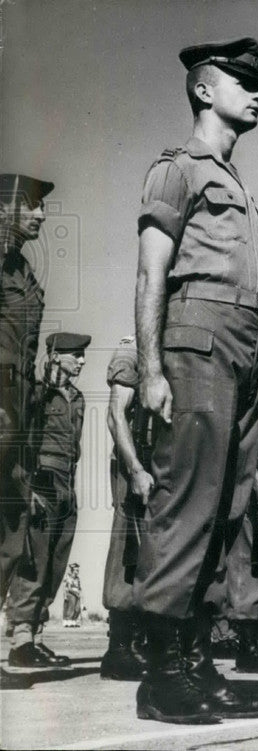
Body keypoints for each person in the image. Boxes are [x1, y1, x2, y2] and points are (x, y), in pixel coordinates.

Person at [132, 37, 258, 723]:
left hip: (245, 351)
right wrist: (152, 366)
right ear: (203, 89)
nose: (257, 93)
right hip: (199, 338)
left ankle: (197, 658)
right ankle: (159, 671)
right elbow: (150, 272)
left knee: (228, 508)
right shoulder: (178, 170)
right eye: (243, 82)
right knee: (187, 500)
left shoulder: (240, 187)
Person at [6, 332, 90, 667]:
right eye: (76, 355)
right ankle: (21, 639)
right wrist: (28, 491)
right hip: (42, 481)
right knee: (34, 562)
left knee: (55, 563)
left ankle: (36, 638)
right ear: (56, 357)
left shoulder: (77, 398)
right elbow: (22, 443)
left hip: (67, 483)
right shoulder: (38, 394)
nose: (82, 361)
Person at [0, 174, 51, 606]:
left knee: (13, 531)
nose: (42, 214)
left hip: (18, 413)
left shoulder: (20, 267)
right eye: (32, 206)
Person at [100, 335, 152, 680]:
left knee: (153, 553)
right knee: (128, 547)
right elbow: (115, 414)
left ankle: (143, 640)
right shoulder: (133, 348)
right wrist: (134, 468)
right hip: (137, 463)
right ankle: (119, 648)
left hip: (161, 466)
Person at [62, 563, 81, 627]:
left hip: (77, 593)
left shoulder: (77, 578)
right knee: (71, 607)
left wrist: (79, 594)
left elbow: (79, 587)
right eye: (76, 570)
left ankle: (74, 621)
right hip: (71, 593)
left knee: (77, 608)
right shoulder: (69, 577)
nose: (77, 572)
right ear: (72, 570)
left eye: (78, 570)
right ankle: (68, 621)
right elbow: (69, 588)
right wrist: (76, 594)